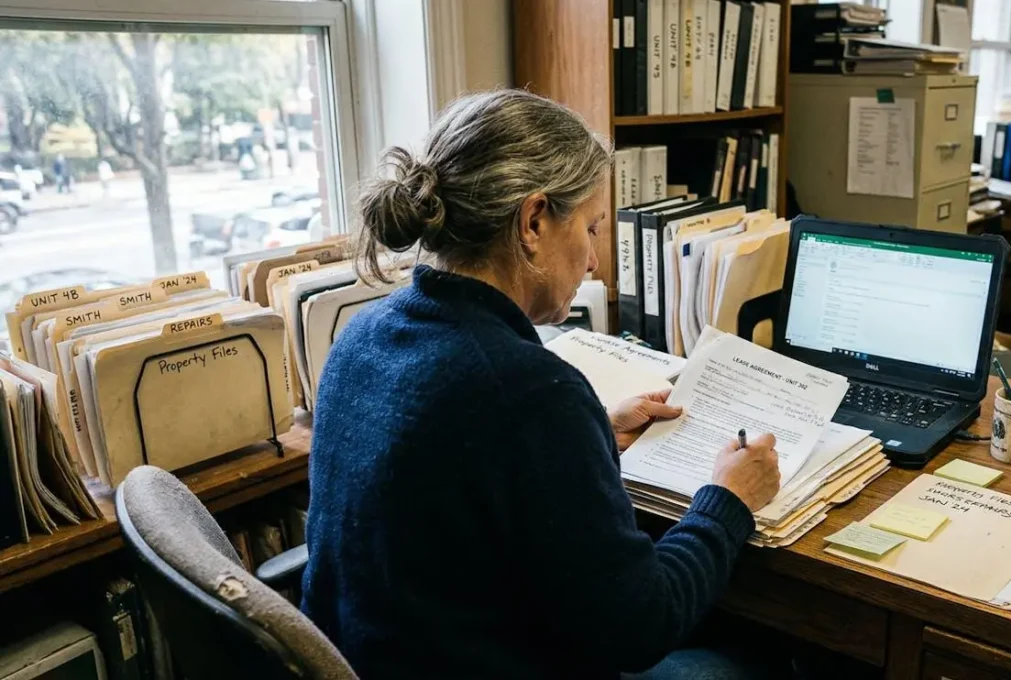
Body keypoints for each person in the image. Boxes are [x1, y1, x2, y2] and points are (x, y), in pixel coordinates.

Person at [301, 89, 783, 679]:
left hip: (379, 657)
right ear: (533, 222)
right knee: (763, 662)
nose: (594, 262)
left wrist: (595, 432)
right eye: (591, 227)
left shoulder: (361, 335)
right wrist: (730, 499)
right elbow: (642, 626)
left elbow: (457, 475)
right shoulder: (529, 391)